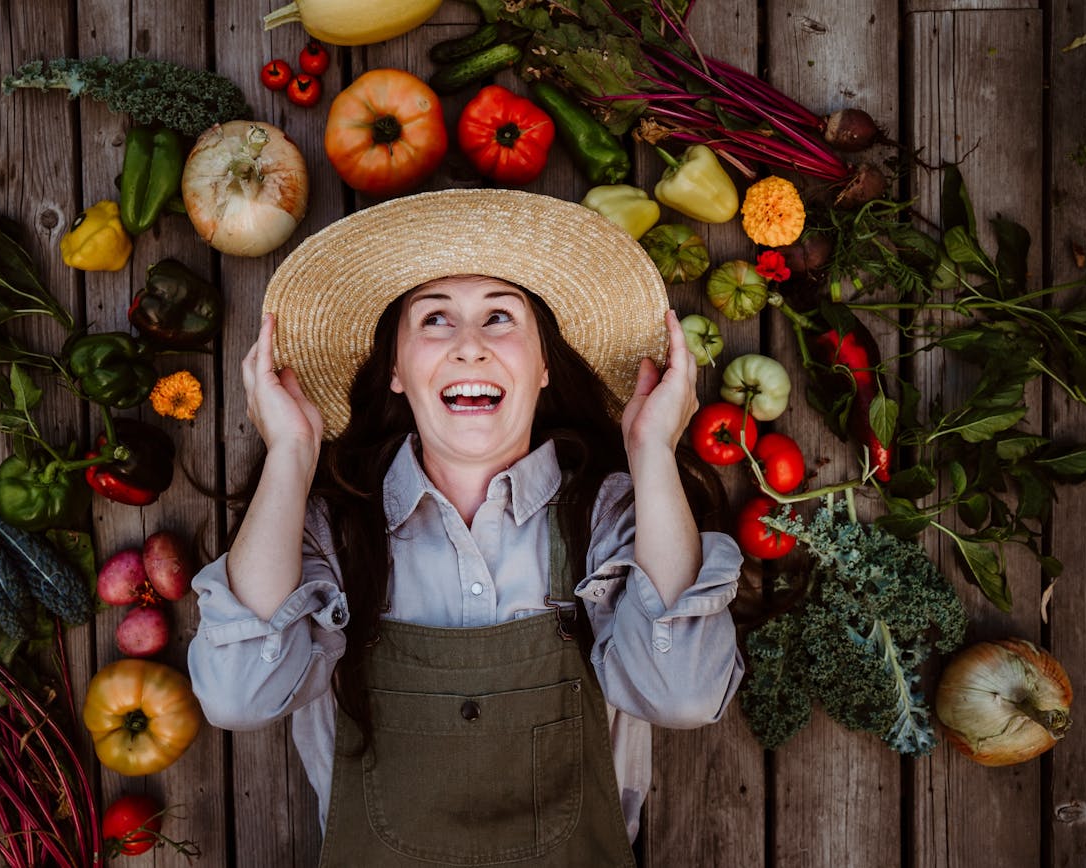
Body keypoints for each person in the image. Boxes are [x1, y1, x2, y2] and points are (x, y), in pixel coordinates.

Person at [187, 188, 745, 867]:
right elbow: (239, 696)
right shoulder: (329, 535)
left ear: (544, 368)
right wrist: (291, 455)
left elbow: (683, 695)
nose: (471, 347)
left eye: (500, 318)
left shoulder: (610, 520)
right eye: (435, 321)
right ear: (395, 370)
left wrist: (653, 451)